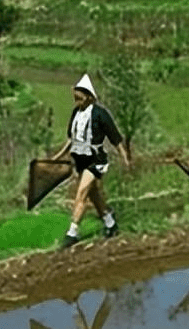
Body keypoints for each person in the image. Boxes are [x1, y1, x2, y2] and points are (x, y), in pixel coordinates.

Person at [52, 74, 131, 248]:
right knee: (94, 195)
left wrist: (124, 157)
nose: (77, 102)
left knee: (81, 193)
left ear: (88, 96)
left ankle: (72, 232)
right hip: (80, 160)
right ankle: (111, 223)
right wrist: (58, 156)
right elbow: (71, 139)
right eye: (75, 98)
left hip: (96, 160)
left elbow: (115, 138)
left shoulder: (100, 114)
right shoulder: (76, 113)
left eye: (80, 98)